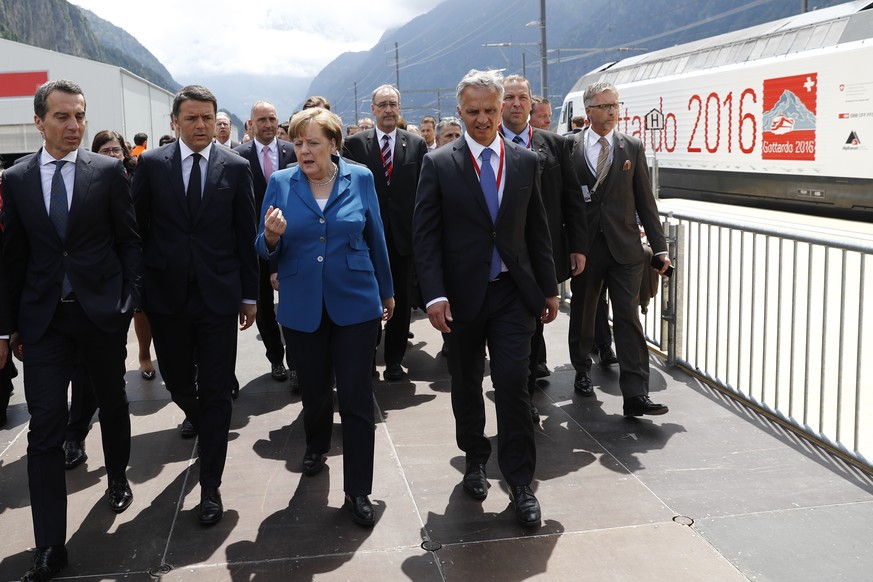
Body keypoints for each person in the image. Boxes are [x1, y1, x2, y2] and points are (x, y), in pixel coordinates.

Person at [1, 79, 141, 581]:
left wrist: (127, 302)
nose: (74, 125)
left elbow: (130, 243)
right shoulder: (16, 179)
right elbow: (12, 257)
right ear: (39, 121)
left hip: (101, 313)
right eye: (62, 117)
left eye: (79, 115)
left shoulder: (106, 172)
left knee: (112, 401)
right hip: (44, 323)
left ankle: (119, 477)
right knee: (45, 430)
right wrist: (6, 327)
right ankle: (49, 546)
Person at [413, 69, 559, 528]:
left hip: (514, 294)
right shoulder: (438, 163)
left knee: (514, 383)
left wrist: (549, 288)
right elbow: (426, 237)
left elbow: (537, 230)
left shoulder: (525, 162)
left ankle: (520, 482)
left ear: (505, 109)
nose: (482, 119)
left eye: (490, 110)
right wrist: (434, 296)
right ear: (460, 112)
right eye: (472, 112)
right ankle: (474, 459)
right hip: (461, 298)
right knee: (466, 381)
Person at [256, 107, 394, 527]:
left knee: (354, 397)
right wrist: (272, 237)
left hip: (355, 302)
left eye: (313, 142)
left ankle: (359, 491)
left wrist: (387, 291)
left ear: (334, 145)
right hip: (301, 305)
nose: (304, 150)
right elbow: (262, 249)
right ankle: (315, 445)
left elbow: (375, 237)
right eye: (298, 143)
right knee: (314, 391)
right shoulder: (281, 183)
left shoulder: (361, 178)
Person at [132, 84, 258, 525]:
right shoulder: (149, 166)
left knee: (218, 387)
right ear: (175, 123)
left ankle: (211, 485)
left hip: (218, 297)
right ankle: (201, 419)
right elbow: (137, 232)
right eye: (192, 118)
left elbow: (246, 235)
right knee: (179, 381)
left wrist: (249, 295)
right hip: (166, 297)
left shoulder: (236, 167)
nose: (201, 125)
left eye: (208, 117)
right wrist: (138, 289)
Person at [567, 82, 672, 416]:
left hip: (625, 249)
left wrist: (660, 248)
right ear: (588, 111)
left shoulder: (632, 148)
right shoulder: (569, 147)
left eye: (615, 105)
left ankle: (635, 393)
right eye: (604, 106)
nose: (612, 112)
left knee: (627, 319)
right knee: (584, 313)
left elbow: (646, 201)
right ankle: (582, 369)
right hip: (585, 251)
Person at [499, 75, 587, 423]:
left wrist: (577, 245)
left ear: (531, 102)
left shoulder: (554, 145)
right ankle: (519, 389)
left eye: (523, 97)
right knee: (516, 327)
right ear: (500, 103)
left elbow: (572, 199)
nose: (517, 103)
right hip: (500, 255)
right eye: (510, 98)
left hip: (541, 252)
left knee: (533, 324)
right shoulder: (486, 145)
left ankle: (526, 391)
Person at [343, 85, 427, 382]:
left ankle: (394, 358)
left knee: (401, 301)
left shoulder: (415, 144)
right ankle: (368, 355)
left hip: (404, 238)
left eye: (393, 104)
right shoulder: (354, 144)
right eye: (383, 105)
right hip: (365, 236)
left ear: (399, 108)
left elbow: (423, 192)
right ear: (373, 109)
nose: (389, 109)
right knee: (368, 298)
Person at [234, 101, 297, 389]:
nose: (268, 124)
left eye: (273, 118)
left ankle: (297, 363)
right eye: (262, 119)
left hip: (291, 241)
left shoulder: (293, 152)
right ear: (251, 124)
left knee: (291, 302)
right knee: (262, 305)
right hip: (253, 242)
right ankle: (276, 357)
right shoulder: (238, 157)